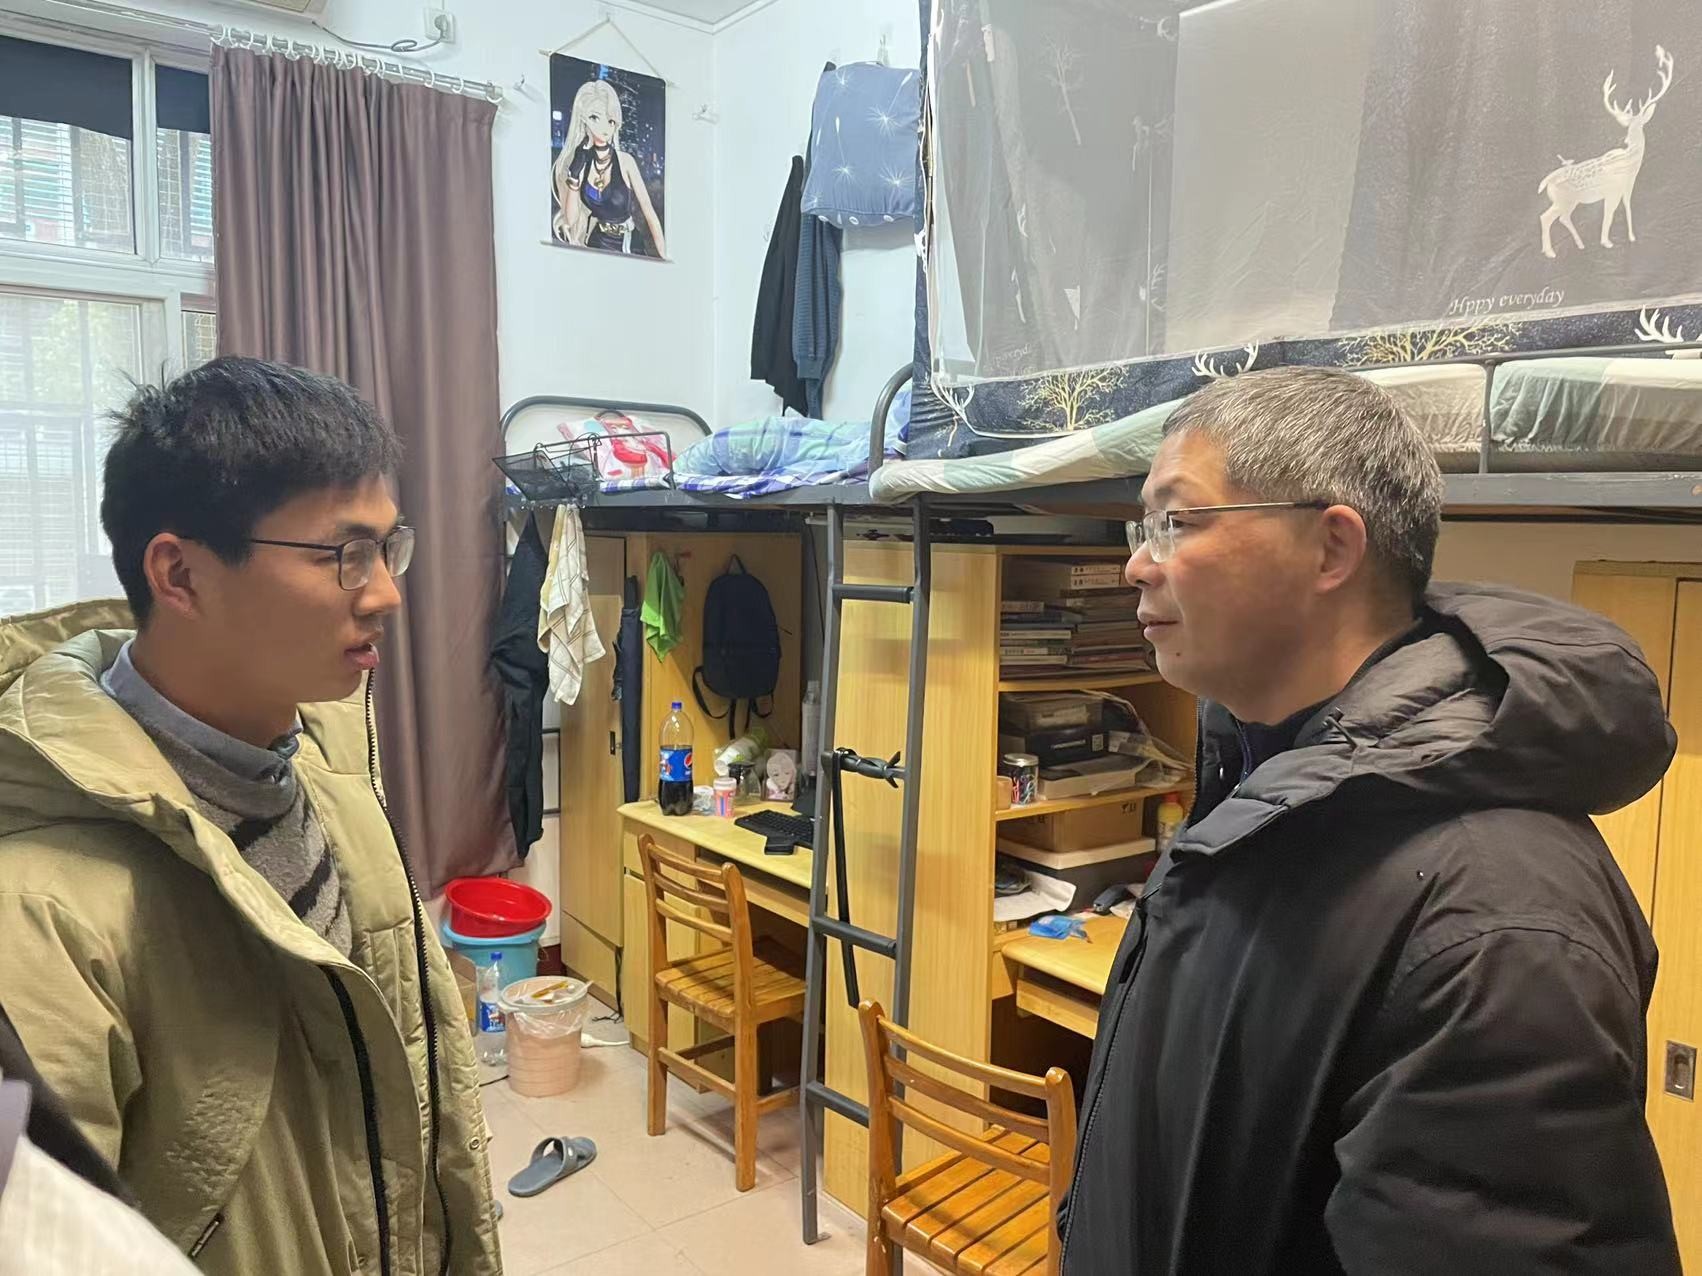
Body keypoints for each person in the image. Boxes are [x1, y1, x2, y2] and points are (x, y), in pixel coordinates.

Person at [1060, 366, 1679, 1274]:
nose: (1136, 564)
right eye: (1141, 527)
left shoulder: (1497, 923)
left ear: (1330, 549)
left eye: (1177, 522)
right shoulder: (1263, 773)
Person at [0, 358, 501, 1275]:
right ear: (181, 574)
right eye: (345, 554)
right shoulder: (36, 912)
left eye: (389, 548)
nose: (386, 592)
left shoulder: (329, 759)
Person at [551, 77, 667, 257]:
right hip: (597, 242)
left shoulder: (625, 161)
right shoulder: (580, 163)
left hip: (629, 243)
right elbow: (571, 220)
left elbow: (649, 212)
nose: (605, 127)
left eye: (611, 120)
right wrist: (574, 174)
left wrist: (665, 257)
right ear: (583, 120)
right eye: (595, 118)